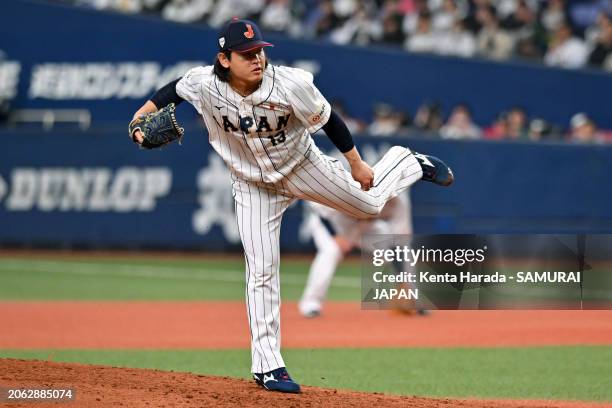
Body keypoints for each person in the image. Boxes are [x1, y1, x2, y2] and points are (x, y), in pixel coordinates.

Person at [130, 18, 453, 394]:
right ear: (224, 59)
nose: (256, 59)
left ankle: (408, 162)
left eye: (259, 52)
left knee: (369, 205)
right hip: (252, 186)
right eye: (246, 54)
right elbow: (174, 90)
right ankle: (268, 366)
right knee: (261, 270)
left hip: (303, 166)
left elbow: (330, 120)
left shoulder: (291, 83)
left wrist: (356, 163)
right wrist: (140, 117)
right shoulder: (203, 83)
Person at [300, 193, 427, 318]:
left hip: (366, 226)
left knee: (403, 250)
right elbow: (319, 207)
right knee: (331, 250)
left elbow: (399, 242)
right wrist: (336, 235)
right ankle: (311, 303)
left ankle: (412, 298)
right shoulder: (351, 186)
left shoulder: (398, 201)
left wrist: (402, 282)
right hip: (328, 220)